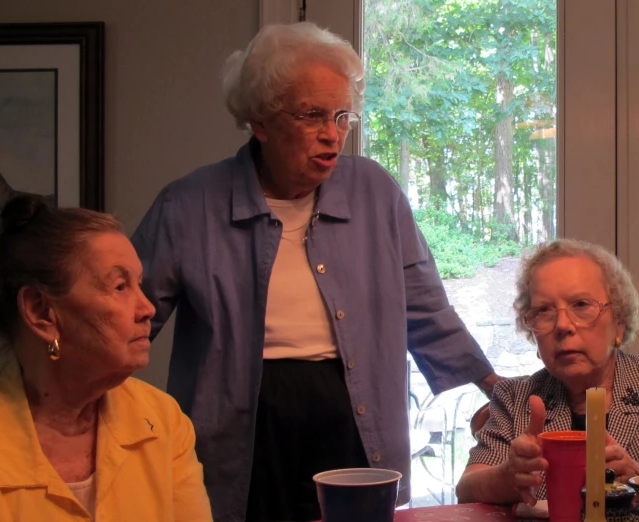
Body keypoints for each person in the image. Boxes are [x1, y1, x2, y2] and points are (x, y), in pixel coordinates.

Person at [131, 21, 500, 521]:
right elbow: (127, 315)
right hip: (240, 423)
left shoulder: (375, 192)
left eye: (342, 115)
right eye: (312, 116)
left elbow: (425, 306)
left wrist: (498, 389)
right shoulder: (189, 205)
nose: (333, 134)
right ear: (261, 120)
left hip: (353, 412)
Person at [0, 195, 212, 521]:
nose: (147, 308)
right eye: (120, 286)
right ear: (41, 311)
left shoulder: (163, 422)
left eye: (139, 284)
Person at [455, 238, 639, 507]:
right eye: (543, 310)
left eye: (581, 305)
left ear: (619, 323)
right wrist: (508, 475)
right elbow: (467, 488)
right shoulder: (515, 399)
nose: (563, 325)